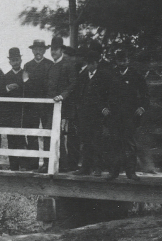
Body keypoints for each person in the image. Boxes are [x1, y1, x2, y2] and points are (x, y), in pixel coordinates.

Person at [71, 43, 114, 176]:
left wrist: (106, 108)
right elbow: (79, 92)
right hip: (85, 114)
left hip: (98, 114)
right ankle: (85, 167)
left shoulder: (104, 76)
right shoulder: (84, 76)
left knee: (97, 141)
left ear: (97, 63)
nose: (89, 66)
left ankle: (98, 167)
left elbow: (110, 94)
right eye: (88, 63)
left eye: (92, 64)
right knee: (85, 141)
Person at [105, 50, 149, 180]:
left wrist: (142, 107)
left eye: (124, 60)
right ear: (116, 61)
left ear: (128, 60)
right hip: (114, 116)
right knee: (115, 143)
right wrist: (104, 108)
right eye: (119, 61)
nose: (122, 63)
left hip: (130, 116)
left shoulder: (136, 75)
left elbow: (145, 95)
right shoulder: (111, 75)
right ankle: (114, 172)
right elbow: (102, 94)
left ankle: (131, 172)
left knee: (130, 144)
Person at [47, 36, 78, 171]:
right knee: (51, 134)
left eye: (56, 49)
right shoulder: (51, 65)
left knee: (62, 137)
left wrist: (62, 96)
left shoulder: (68, 65)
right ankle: (52, 163)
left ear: (61, 50)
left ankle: (64, 164)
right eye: (52, 50)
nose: (53, 52)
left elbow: (73, 84)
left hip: (64, 107)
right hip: (51, 107)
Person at [23, 39, 54, 172]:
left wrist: (34, 84)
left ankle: (47, 162)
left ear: (45, 51)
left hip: (46, 105)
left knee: (47, 134)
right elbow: (25, 82)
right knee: (32, 133)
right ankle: (33, 162)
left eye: (41, 49)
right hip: (32, 105)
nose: (38, 52)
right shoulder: (27, 66)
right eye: (36, 49)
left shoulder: (50, 65)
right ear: (32, 51)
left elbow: (50, 85)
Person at [0, 47, 30, 171]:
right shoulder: (6, 76)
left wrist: (22, 84)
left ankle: (25, 163)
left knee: (21, 138)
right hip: (9, 112)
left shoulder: (25, 74)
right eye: (13, 60)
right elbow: (0, 92)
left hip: (22, 111)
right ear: (9, 61)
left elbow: (30, 89)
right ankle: (13, 165)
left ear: (21, 60)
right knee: (11, 138)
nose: (15, 62)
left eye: (17, 60)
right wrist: (7, 88)